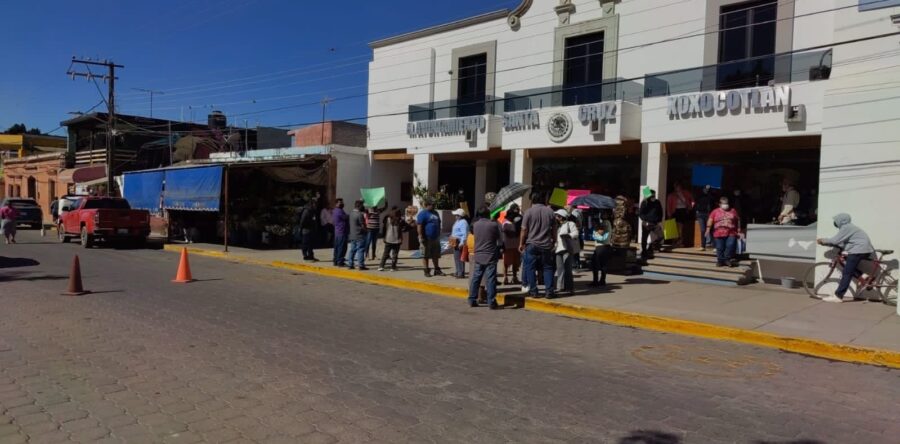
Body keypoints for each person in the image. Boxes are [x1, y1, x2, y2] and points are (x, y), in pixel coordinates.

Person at [816, 214, 876, 303]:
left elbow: (835, 240)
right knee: (848, 266)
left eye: (836, 221)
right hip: (862, 250)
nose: (835, 223)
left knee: (847, 273)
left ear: (841, 220)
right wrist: (827, 243)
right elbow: (841, 242)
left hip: (858, 250)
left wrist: (822, 240)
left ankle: (838, 296)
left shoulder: (846, 228)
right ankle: (864, 276)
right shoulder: (849, 227)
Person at [519, 191, 558, 299]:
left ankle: (533, 291)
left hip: (531, 244)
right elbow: (554, 228)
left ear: (532, 200)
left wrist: (521, 243)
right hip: (546, 244)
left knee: (530, 268)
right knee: (548, 268)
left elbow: (524, 230)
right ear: (543, 200)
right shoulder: (550, 212)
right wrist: (554, 241)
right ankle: (549, 291)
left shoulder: (528, 212)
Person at [468, 209, 503, 309]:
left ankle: (472, 299)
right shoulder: (494, 225)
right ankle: (491, 301)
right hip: (491, 254)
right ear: (488, 214)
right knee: (490, 278)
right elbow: (500, 240)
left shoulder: (475, 225)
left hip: (479, 254)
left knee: (476, 277)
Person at [706, 196, 742, 268]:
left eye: (727, 203)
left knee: (730, 245)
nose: (725, 205)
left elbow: (738, 220)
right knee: (720, 248)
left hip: (731, 232)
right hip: (718, 233)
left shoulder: (733, 210)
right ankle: (720, 261)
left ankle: (727, 259)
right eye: (723, 203)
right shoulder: (715, 211)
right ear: (720, 204)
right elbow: (710, 219)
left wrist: (739, 229)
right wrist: (708, 228)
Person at [554, 209, 580, 295]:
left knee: (568, 270)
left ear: (561, 217)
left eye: (557, 216)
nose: (556, 217)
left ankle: (570, 288)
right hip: (558, 250)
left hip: (567, 249)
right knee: (559, 269)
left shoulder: (570, 224)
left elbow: (576, 233)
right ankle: (560, 287)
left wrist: (567, 235)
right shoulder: (557, 226)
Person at [416, 200, 445, 277]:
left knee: (436, 254)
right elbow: (419, 225)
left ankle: (437, 269)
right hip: (426, 238)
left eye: (434, 204)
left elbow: (439, 222)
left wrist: (439, 233)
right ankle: (426, 270)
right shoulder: (423, 214)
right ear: (427, 205)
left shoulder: (436, 213)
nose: (433, 206)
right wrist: (420, 236)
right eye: (432, 205)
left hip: (435, 237)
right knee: (425, 255)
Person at [666, 182, 694, 247]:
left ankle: (679, 241)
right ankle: (676, 241)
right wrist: (669, 213)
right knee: (675, 227)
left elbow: (692, 200)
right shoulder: (671, 195)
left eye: (678, 186)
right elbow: (668, 205)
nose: (677, 188)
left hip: (683, 211)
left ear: (680, 186)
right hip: (675, 211)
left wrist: (691, 207)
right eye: (675, 187)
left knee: (680, 227)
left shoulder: (686, 193)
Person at [639, 190, 664, 259]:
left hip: (655, 223)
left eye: (654, 195)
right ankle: (644, 251)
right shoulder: (645, 202)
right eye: (652, 195)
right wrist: (645, 220)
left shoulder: (657, 202)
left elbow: (660, 212)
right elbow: (641, 213)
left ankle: (651, 246)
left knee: (661, 236)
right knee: (644, 238)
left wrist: (659, 220)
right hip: (646, 223)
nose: (654, 197)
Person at [501, 204, 522, 285]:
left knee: (514, 262)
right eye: (516, 209)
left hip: (514, 244)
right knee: (507, 262)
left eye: (518, 209)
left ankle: (513, 277)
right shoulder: (506, 220)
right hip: (510, 244)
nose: (517, 210)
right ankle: (506, 277)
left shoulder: (519, 218)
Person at [590, 215, 613, 287]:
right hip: (605, 246)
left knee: (595, 264)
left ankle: (596, 281)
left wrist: (595, 230)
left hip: (601, 247)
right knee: (603, 265)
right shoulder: (608, 223)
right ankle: (602, 280)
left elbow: (601, 236)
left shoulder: (605, 223)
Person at [346, 200, 368, 270]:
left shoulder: (351, 214)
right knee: (360, 250)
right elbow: (363, 225)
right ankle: (361, 265)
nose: (363, 206)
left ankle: (350, 264)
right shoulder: (359, 214)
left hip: (352, 235)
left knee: (352, 250)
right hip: (360, 235)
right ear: (359, 206)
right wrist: (366, 230)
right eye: (362, 205)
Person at [450, 208, 469, 278]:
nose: (455, 216)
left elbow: (465, 234)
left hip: (459, 242)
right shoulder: (457, 221)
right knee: (456, 258)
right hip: (455, 241)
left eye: (456, 215)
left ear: (460, 215)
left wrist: (462, 243)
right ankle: (458, 271)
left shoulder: (463, 222)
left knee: (459, 258)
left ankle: (460, 273)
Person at [695, 185, 714, 252]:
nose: (706, 190)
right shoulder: (699, 196)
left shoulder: (711, 196)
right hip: (700, 214)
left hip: (709, 214)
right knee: (703, 230)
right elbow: (696, 203)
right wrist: (696, 211)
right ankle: (703, 246)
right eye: (705, 189)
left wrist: (709, 193)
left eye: (707, 189)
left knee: (710, 229)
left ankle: (714, 245)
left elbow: (713, 202)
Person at [332, 199, 349, 267]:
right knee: (342, 247)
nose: (342, 204)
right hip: (341, 231)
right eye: (340, 203)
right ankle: (340, 261)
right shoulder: (339, 211)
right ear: (336, 204)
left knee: (337, 247)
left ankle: (336, 260)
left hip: (337, 231)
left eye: (342, 202)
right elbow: (345, 217)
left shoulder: (335, 210)